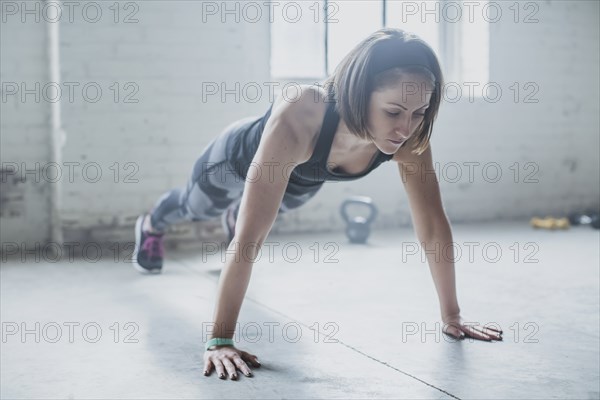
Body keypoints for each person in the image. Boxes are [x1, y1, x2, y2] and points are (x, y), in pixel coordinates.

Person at [132, 28, 503, 381]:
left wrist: (452, 316)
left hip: (302, 179)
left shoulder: (410, 135)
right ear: (359, 95)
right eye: (393, 112)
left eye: (419, 113)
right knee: (199, 210)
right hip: (234, 161)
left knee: (261, 216)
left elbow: (433, 226)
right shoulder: (302, 111)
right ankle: (151, 225)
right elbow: (248, 241)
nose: (406, 128)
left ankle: (238, 209)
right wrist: (220, 340)